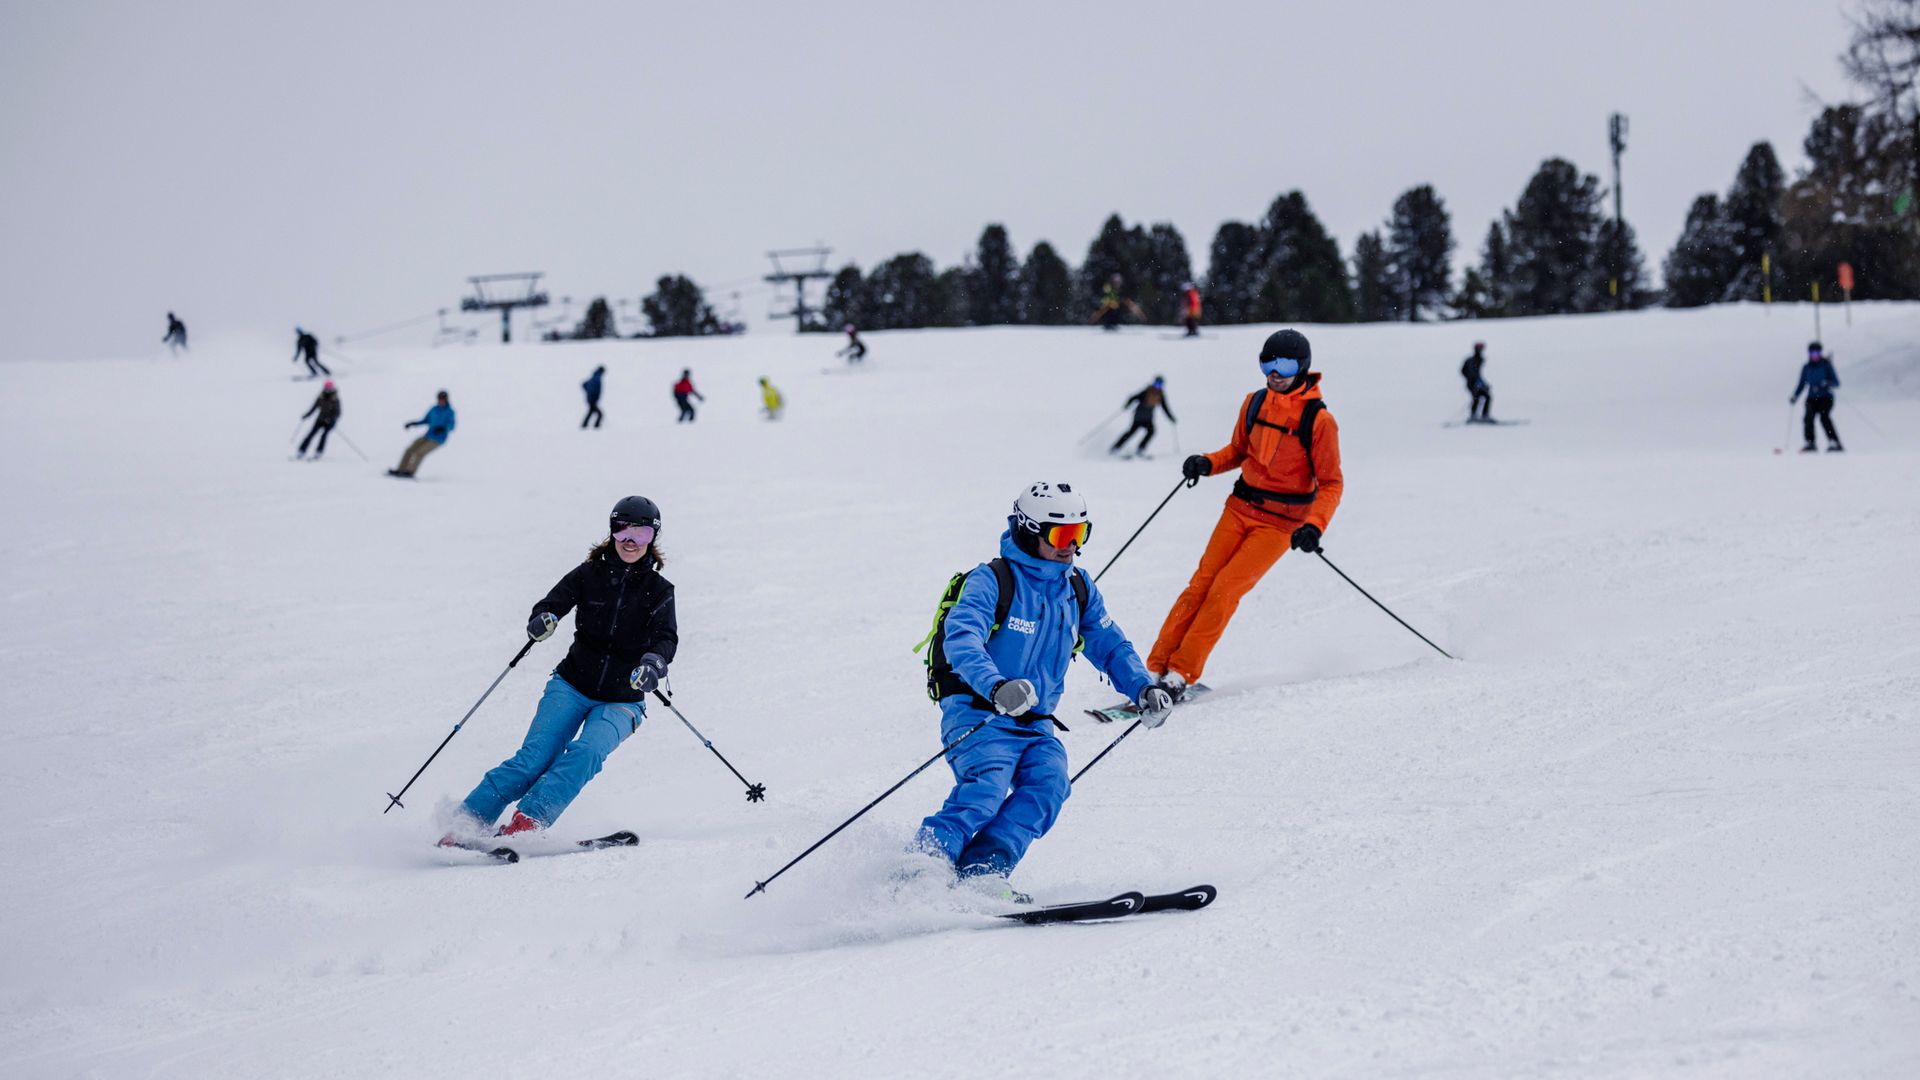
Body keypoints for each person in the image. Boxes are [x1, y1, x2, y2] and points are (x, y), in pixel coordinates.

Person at [914, 482, 1174, 896]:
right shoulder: (992, 581)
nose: (1071, 546)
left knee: (1049, 784)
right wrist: (997, 686)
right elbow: (961, 639)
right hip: (979, 712)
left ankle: (984, 870)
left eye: (1080, 534)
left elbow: (1110, 644)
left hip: (1035, 723)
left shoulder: (1076, 587)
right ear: (1028, 531)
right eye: (1061, 536)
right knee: (986, 788)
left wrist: (1142, 688)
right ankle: (922, 866)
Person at [442, 497, 677, 841]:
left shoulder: (659, 591)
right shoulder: (588, 574)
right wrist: (543, 619)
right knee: (533, 760)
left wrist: (653, 663)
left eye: (640, 534)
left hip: (622, 697)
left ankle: (526, 823)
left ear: (652, 538)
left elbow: (665, 638)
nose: (630, 540)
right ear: (611, 531)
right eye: (622, 529)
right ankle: (464, 824)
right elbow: (551, 604)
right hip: (571, 684)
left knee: (587, 753)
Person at [1148, 329, 1343, 693]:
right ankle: (1155, 669)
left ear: (1302, 367)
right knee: (1200, 585)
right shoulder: (1254, 402)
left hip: (1281, 524)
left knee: (1224, 591)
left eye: (1283, 364)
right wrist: (1206, 463)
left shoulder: (1318, 421)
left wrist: (1314, 526)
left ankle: (1180, 674)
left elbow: (1331, 483)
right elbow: (1237, 451)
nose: (1274, 372)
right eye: (1266, 362)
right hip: (1239, 508)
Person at [1791, 341, 1844, 452]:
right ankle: (1810, 443)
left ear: (1820, 353)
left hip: (1826, 397)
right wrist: (1795, 396)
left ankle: (1834, 442)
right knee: (1808, 417)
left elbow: (1836, 382)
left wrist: (1827, 383)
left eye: (1817, 354)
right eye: (1812, 354)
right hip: (1812, 398)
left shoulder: (1826, 365)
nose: (1814, 356)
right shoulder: (1806, 367)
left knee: (1824, 417)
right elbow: (1801, 384)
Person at [389, 390, 455, 478]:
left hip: (438, 439)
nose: (441, 401)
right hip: (428, 435)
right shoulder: (434, 409)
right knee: (409, 450)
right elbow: (426, 420)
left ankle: (410, 472)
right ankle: (400, 469)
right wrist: (413, 423)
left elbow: (451, 425)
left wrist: (443, 428)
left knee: (419, 453)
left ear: (447, 400)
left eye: (443, 399)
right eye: (440, 399)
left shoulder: (450, 412)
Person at [1110, 376, 1177, 457]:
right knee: (1131, 432)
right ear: (1153, 383)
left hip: (1148, 418)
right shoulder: (1146, 391)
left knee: (1151, 432)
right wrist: (1127, 405)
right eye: (1156, 384)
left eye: (1159, 384)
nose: (1157, 386)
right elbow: (1133, 397)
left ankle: (1140, 449)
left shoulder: (1160, 395)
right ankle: (1116, 448)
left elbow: (1165, 407)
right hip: (1139, 417)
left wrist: (1171, 418)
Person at [297, 380, 341, 459]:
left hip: (330, 422)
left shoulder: (335, 399)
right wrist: (307, 415)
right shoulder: (321, 397)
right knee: (311, 434)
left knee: (323, 435)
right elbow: (314, 408)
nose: (327, 390)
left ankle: (318, 452)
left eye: (329, 388)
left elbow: (337, 412)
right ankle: (301, 451)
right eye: (326, 388)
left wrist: (331, 419)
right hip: (320, 419)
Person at [1461, 342, 1491, 421]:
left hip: (1473, 383)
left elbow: (1476, 375)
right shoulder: (1473, 360)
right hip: (1472, 384)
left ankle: (1479, 415)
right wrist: (1479, 384)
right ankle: (1478, 416)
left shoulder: (1476, 360)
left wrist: (1483, 384)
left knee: (1481, 397)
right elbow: (1473, 375)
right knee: (1481, 397)